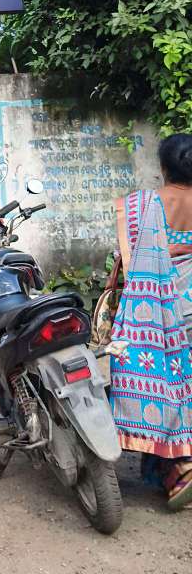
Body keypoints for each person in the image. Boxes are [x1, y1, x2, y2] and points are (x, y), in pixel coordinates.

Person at [109, 133, 192, 510]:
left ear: (162, 167)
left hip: (161, 311)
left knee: (166, 380)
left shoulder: (142, 206)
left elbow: (131, 263)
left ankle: (178, 464)